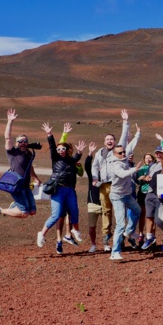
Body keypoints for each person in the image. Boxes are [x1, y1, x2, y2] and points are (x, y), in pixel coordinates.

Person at [36, 122, 85, 255]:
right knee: (56, 215)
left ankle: (75, 231)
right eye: (59, 150)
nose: (61, 151)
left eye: (63, 149)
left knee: (74, 212)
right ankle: (42, 234)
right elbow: (52, 146)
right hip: (58, 190)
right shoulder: (55, 159)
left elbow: (76, 158)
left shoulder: (71, 160)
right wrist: (49, 134)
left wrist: (80, 151)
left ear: (67, 150)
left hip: (70, 191)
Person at [0, 108, 41, 218]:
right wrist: (10, 121)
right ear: (16, 143)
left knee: (32, 211)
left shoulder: (28, 153)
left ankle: (14, 205)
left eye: (25, 141)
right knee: (24, 214)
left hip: (26, 186)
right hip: (16, 186)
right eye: (20, 141)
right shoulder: (12, 152)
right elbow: (7, 137)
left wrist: (35, 178)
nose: (23, 143)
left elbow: (30, 167)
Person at [90, 109, 130, 251]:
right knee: (106, 211)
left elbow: (124, 137)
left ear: (114, 141)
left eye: (111, 139)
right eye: (107, 139)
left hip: (117, 186)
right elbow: (95, 166)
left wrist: (125, 122)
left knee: (119, 213)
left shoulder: (117, 151)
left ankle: (120, 240)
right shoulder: (100, 153)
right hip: (103, 186)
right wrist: (95, 177)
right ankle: (106, 239)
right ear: (104, 141)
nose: (110, 141)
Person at [108, 145, 142, 260]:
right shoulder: (115, 164)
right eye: (120, 153)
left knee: (137, 210)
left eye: (124, 152)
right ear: (114, 155)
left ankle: (128, 232)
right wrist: (134, 169)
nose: (123, 154)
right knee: (120, 224)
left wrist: (135, 134)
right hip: (117, 196)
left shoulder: (124, 159)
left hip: (127, 195)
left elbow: (131, 144)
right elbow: (122, 174)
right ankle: (115, 252)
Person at [84, 142, 102, 253]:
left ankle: (106, 244)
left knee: (107, 226)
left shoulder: (107, 173)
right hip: (92, 203)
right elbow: (86, 165)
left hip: (105, 202)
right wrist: (90, 153)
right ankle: (93, 244)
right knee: (91, 226)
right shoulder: (93, 174)